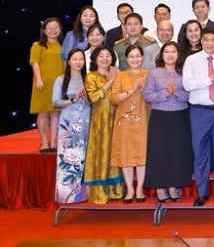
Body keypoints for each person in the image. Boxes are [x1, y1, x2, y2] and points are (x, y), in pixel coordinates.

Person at [183, 26, 214, 206]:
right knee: (200, 154)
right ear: (201, 41)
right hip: (199, 112)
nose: (210, 43)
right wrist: (211, 79)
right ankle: (202, 193)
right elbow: (188, 85)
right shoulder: (191, 60)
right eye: (207, 40)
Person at [143, 42, 193, 203]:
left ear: (178, 55)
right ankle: (159, 187)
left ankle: (173, 186)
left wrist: (176, 93)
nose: (170, 55)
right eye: (167, 52)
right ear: (162, 55)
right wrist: (165, 92)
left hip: (180, 116)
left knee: (177, 153)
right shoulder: (154, 73)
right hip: (160, 117)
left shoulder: (184, 73)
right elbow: (148, 96)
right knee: (159, 153)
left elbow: (190, 95)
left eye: (173, 52)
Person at [83, 47, 124, 204]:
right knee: (101, 153)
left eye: (108, 56)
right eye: (101, 56)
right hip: (100, 122)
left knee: (114, 153)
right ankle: (99, 193)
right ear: (94, 58)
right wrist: (111, 81)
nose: (105, 58)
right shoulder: (91, 76)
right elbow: (94, 97)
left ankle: (115, 190)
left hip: (117, 119)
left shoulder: (118, 75)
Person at [110, 45, 150, 203]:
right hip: (124, 121)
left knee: (141, 154)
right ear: (126, 59)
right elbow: (113, 98)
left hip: (143, 118)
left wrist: (143, 91)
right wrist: (132, 90)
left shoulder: (148, 74)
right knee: (126, 154)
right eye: (131, 56)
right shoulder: (120, 76)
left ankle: (139, 188)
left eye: (138, 56)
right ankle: (130, 189)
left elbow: (152, 96)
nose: (135, 59)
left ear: (142, 57)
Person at [52, 49, 90, 203]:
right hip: (68, 122)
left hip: (86, 119)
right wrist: (72, 100)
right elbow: (55, 102)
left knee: (85, 155)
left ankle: (84, 194)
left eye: (81, 59)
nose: (78, 62)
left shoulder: (88, 79)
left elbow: (93, 101)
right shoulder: (61, 80)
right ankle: (67, 195)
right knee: (68, 156)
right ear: (68, 61)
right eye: (75, 59)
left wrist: (86, 97)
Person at [30, 17, 65, 152]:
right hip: (42, 83)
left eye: (56, 27)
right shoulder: (37, 45)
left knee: (56, 113)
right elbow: (35, 63)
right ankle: (44, 142)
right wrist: (39, 79)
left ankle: (53, 142)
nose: (53, 30)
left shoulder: (63, 45)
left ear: (60, 30)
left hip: (59, 83)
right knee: (43, 113)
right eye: (49, 28)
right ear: (44, 30)